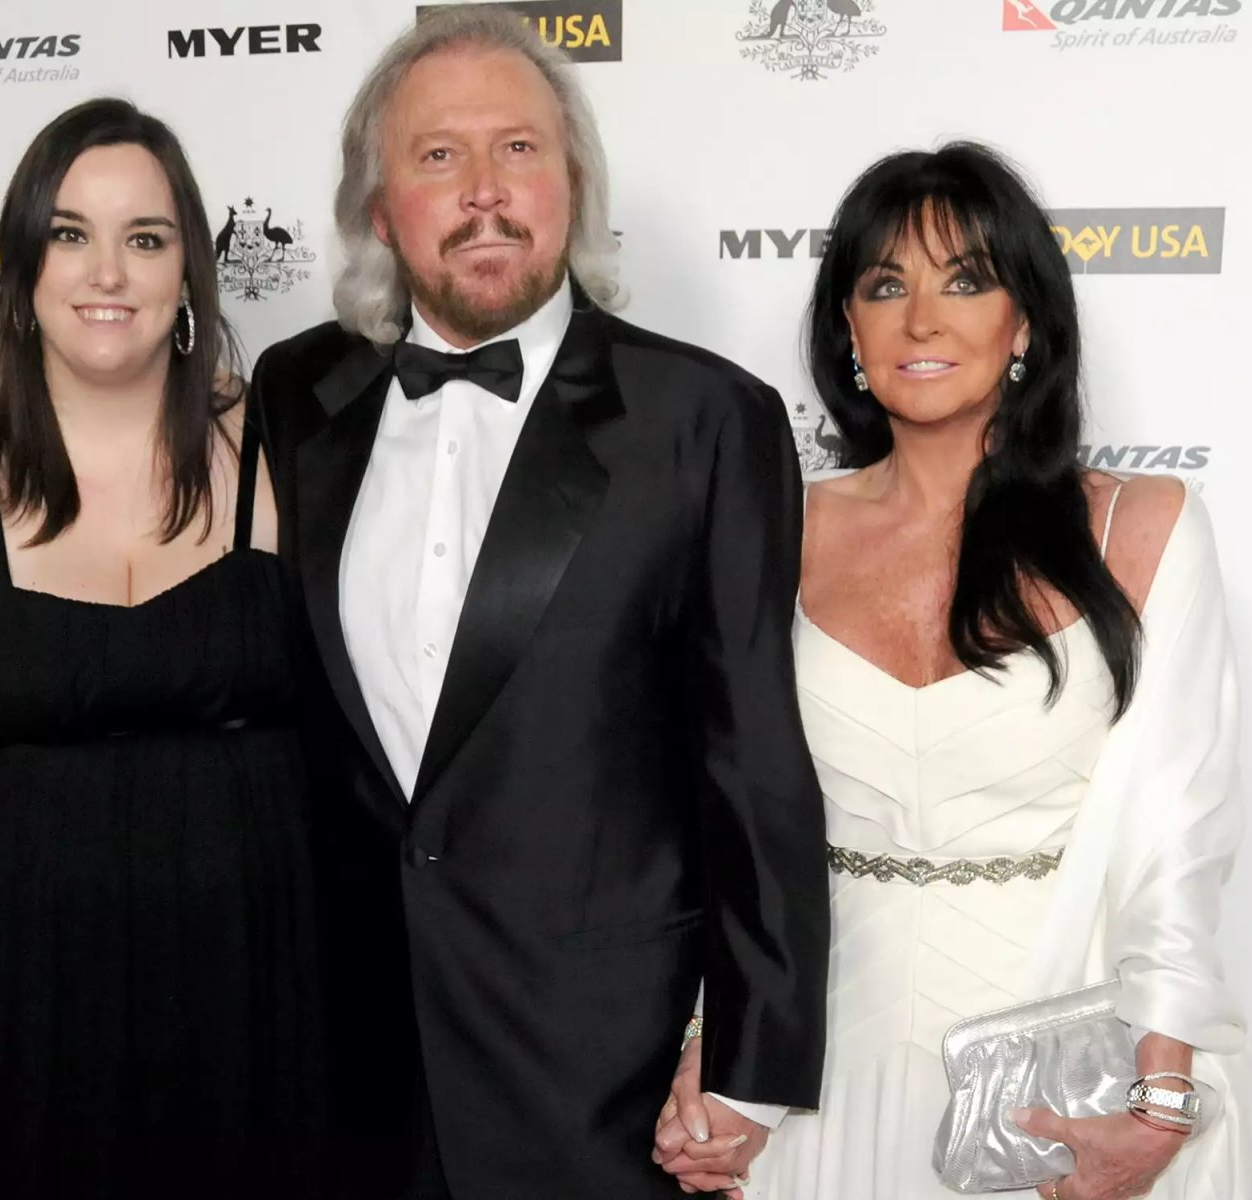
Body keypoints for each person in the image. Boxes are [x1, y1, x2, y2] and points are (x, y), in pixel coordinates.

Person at [251, 9, 829, 1198]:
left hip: (609, 1077)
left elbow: (755, 758)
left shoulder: (705, 419)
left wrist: (750, 1063)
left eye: (517, 150)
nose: (482, 194)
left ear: (572, 183)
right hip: (358, 1073)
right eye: (436, 156)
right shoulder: (298, 393)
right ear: (378, 209)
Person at [655, 142, 1252, 1199]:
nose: (921, 318)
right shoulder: (774, 527)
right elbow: (729, 825)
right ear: (848, 331)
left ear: (1023, 322)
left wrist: (1156, 1108)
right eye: (885, 285)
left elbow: (1177, 842)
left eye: (966, 280)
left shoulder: (1145, 526)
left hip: (1065, 1069)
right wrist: (718, 1041)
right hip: (822, 1067)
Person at [0, 98, 324, 1198]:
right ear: (20, 269)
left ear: (189, 273)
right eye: (69, 234)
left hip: (261, 962)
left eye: (144, 239)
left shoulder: (285, 444)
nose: (106, 272)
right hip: (26, 971)